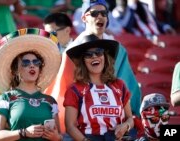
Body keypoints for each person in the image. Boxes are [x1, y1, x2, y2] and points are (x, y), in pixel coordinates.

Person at [44, 0, 141, 133]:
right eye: (94, 13)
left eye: (104, 13)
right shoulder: (72, 52)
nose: (100, 16)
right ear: (84, 17)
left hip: (114, 123)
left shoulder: (118, 49)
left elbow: (129, 91)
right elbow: (63, 91)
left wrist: (128, 122)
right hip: (83, 124)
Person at [0, 28, 62, 140]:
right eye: (26, 62)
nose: (32, 65)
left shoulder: (50, 101)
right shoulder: (7, 98)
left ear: (40, 69)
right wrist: (24, 132)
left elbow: (59, 137)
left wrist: (55, 137)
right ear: (16, 70)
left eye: (36, 62)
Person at [64, 34, 134, 141]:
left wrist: (126, 126)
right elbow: (70, 126)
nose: (94, 56)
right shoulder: (74, 89)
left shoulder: (119, 85)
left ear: (105, 57)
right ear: (83, 61)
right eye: (88, 55)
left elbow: (130, 118)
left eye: (99, 52)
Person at [112, 0, 176, 38]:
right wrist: (132, 6)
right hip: (144, 41)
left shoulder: (144, 6)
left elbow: (155, 22)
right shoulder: (120, 11)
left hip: (159, 37)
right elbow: (127, 26)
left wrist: (166, 27)